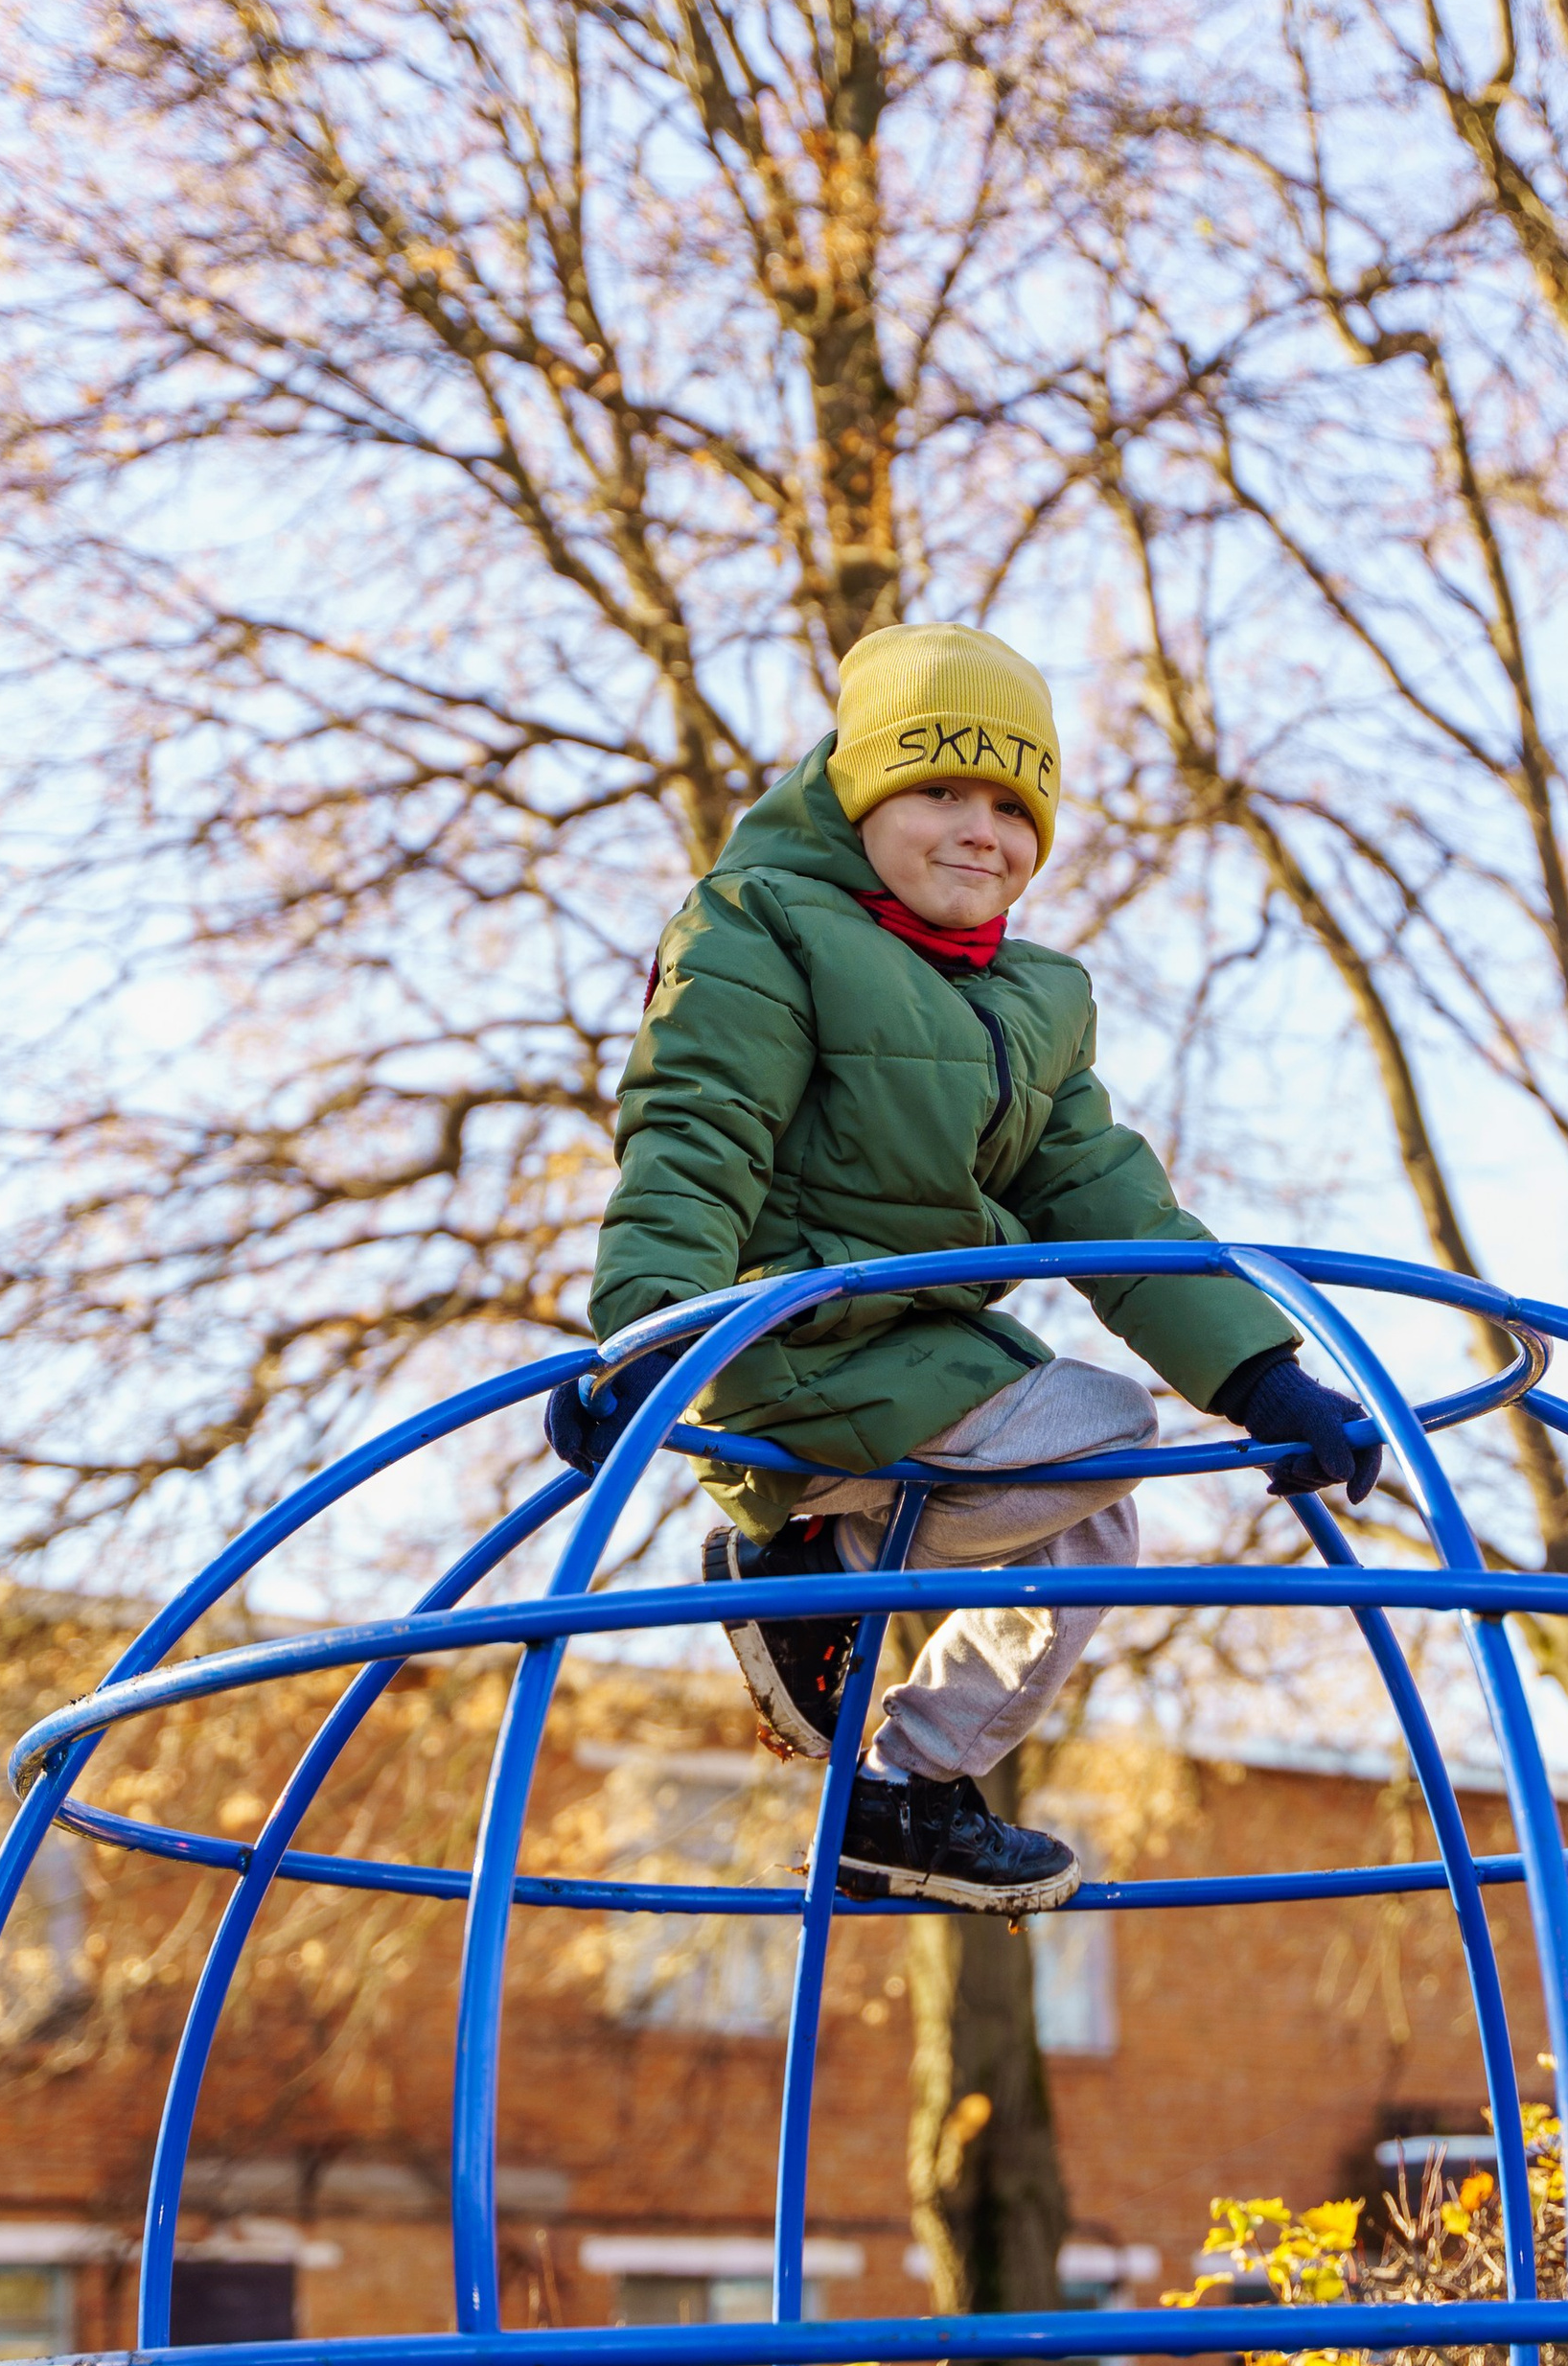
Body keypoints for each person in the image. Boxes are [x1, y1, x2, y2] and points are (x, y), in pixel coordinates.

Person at [545, 624, 1381, 1914]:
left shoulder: (1037, 998)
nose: (978, 830)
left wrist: (1266, 1379)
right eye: (937, 789)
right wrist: (650, 1339)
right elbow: (694, 1131)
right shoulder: (761, 928)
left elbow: (1114, 1203)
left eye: (1011, 804)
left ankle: (905, 1791)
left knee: (1101, 1522)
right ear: (860, 794)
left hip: (919, 1370)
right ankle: (808, 1572)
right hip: (778, 1348)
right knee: (1106, 1423)